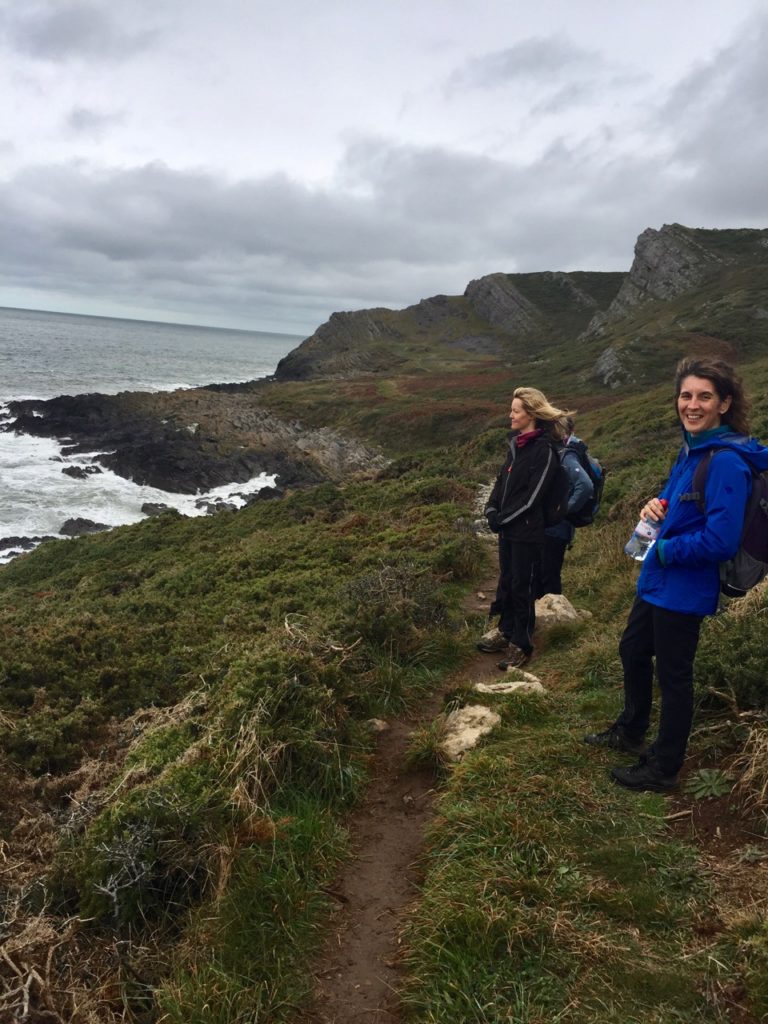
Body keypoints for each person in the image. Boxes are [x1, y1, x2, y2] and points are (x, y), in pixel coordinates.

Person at [584, 356, 768, 792]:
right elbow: (674, 505)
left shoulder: (726, 460)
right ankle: (630, 731)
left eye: (705, 396)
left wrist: (664, 549)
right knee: (632, 650)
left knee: (674, 676)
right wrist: (654, 506)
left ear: (724, 403)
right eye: (686, 395)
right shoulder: (692, 449)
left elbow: (719, 541)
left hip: (684, 586)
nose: (692, 404)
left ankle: (663, 768)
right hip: (658, 581)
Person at [478, 387, 573, 670]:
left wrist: (504, 518)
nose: (510, 415)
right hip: (509, 530)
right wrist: (492, 509)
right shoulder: (517, 444)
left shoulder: (543, 450)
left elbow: (533, 497)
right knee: (507, 581)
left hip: (528, 531)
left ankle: (522, 643)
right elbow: (501, 483)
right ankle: (506, 630)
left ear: (531, 414)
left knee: (523, 586)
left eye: (516, 410)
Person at [535, 416, 594, 598]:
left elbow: (585, 485)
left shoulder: (567, 455)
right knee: (544, 573)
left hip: (556, 529)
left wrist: (563, 510)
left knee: (549, 575)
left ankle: (556, 617)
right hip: (554, 528)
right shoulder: (561, 451)